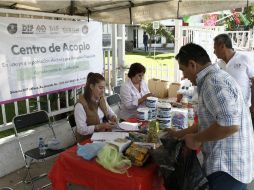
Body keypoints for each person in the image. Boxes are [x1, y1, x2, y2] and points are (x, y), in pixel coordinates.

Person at [170, 43, 254, 189]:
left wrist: (196, 138)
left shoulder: (213, 82)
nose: (184, 76)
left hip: (227, 168)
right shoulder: (216, 77)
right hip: (233, 167)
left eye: (183, 70)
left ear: (192, 64)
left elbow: (230, 125)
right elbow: (210, 121)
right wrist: (179, 134)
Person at [213, 34, 254, 126]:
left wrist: (253, 106)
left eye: (215, 48)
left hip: (243, 110)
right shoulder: (218, 65)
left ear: (222, 46)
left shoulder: (244, 59)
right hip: (224, 111)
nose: (213, 52)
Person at [74, 73, 117, 142]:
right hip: (88, 140)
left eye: (103, 88)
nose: (103, 91)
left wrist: (112, 117)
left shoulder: (101, 99)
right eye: (100, 88)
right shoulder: (80, 105)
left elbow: (109, 111)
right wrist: (98, 126)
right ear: (91, 86)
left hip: (103, 135)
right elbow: (81, 130)